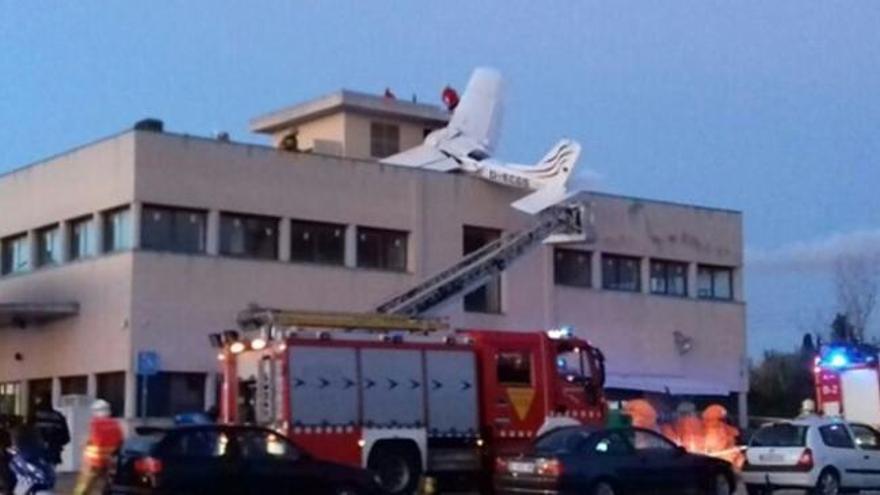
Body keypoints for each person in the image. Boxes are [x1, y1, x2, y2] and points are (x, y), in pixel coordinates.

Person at [73, 400, 123, 495]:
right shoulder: (115, 424)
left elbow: (85, 441)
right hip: (109, 463)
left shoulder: (94, 424)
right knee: (106, 488)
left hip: (92, 463)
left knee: (83, 487)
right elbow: (120, 442)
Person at [27, 393, 70, 466]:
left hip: (37, 452)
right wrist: (56, 443)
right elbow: (66, 437)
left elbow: (27, 433)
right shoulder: (58, 416)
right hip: (53, 452)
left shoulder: (34, 415)